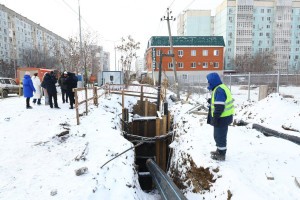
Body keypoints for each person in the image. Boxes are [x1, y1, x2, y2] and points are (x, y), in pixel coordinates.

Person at [206, 72, 234, 161]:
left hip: (222, 118)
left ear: (213, 81)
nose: (208, 83)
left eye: (209, 82)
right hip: (223, 117)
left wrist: (215, 118)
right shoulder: (220, 88)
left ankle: (221, 154)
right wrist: (211, 101)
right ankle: (219, 150)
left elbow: (219, 107)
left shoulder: (219, 90)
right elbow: (220, 102)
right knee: (217, 135)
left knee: (220, 136)